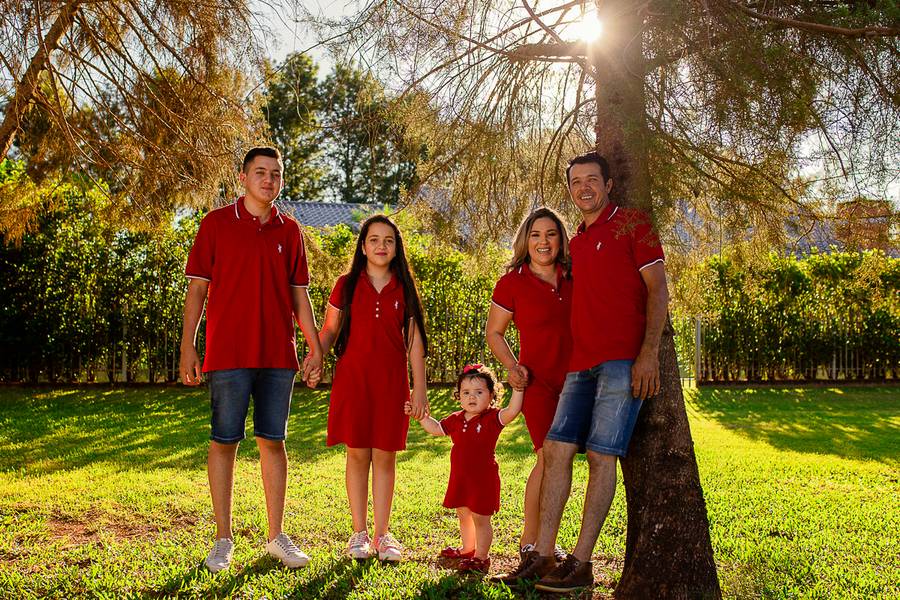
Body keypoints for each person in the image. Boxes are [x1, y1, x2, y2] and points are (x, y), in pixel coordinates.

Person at [494, 151, 669, 593]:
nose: (584, 187)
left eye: (593, 179)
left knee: (599, 456)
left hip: (620, 362)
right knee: (554, 453)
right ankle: (543, 554)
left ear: (609, 184)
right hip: (579, 368)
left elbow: (658, 290)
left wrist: (647, 354)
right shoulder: (579, 244)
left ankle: (582, 561)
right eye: (576, 182)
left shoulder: (633, 224)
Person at [179, 146, 323, 573]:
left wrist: (314, 346)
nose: (269, 180)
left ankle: (276, 537)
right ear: (243, 178)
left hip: (278, 355)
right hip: (228, 355)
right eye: (261, 173)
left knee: (273, 442)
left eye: (276, 174)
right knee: (224, 442)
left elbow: (300, 295)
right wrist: (188, 344)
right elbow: (197, 291)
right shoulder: (216, 224)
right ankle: (223, 540)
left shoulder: (290, 230)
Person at [317, 215, 428, 563]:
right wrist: (314, 356)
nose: (381, 246)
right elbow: (329, 331)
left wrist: (419, 388)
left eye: (389, 241)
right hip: (353, 381)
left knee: (385, 455)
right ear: (363, 246)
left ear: (396, 249)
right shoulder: (345, 285)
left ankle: (383, 534)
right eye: (374, 239)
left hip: (391, 384)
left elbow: (414, 343)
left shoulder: (404, 287)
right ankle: (359, 534)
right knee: (357, 453)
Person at [484, 208, 572, 563]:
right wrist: (511, 366)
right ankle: (530, 540)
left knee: (562, 463)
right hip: (538, 383)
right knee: (547, 458)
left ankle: (547, 539)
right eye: (536, 234)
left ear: (560, 240)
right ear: (526, 240)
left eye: (551, 234)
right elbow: (494, 333)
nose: (543, 242)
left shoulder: (575, 275)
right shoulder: (512, 282)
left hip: (579, 381)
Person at [408, 364, 523, 574]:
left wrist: (519, 389)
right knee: (463, 514)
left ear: (491, 396)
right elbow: (436, 428)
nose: (472, 397)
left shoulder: (492, 418)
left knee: (481, 518)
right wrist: (421, 417)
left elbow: (513, 410)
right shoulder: (456, 419)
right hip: (461, 478)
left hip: (483, 479)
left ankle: (481, 557)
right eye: (466, 392)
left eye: (479, 392)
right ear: (459, 396)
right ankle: (468, 549)